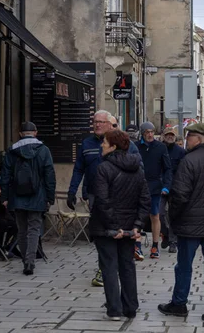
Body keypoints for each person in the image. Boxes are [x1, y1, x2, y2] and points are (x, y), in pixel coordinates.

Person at [158, 124, 204, 323]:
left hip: (190, 224)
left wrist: (174, 218)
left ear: (198, 139)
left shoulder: (188, 161)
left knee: (184, 266)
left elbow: (180, 194)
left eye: (189, 137)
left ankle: (179, 303)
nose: (186, 140)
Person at [68, 110, 140, 286]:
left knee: (117, 233)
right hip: (95, 195)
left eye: (101, 122)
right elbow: (79, 169)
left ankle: (111, 267)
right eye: (95, 122)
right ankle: (104, 267)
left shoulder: (124, 143)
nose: (97, 125)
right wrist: (72, 191)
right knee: (102, 233)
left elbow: (138, 168)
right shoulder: (87, 144)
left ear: (110, 124)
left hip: (120, 196)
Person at [89, 130, 150, 321]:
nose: (101, 145)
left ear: (114, 146)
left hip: (107, 227)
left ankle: (114, 309)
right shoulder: (138, 169)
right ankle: (130, 307)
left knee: (109, 267)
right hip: (129, 227)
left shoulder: (104, 168)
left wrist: (114, 228)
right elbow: (145, 200)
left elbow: (102, 200)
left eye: (105, 142)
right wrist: (137, 226)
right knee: (127, 266)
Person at [0, 122, 55, 276]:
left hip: (17, 196)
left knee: (22, 230)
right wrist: (50, 197)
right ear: (35, 133)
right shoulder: (44, 150)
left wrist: (4, 196)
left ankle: (26, 260)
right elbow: (49, 175)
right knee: (34, 230)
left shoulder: (11, 151)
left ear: (21, 134)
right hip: (38, 196)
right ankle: (30, 262)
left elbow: (5, 176)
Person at [135, 122, 172, 260]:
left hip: (155, 186)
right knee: (137, 216)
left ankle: (155, 245)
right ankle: (137, 245)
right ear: (142, 133)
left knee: (154, 215)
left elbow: (167, 168)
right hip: (138, 185)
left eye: (152, 132)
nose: (150, 134)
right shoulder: (136, 147)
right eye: (147, 132)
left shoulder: (161, 147)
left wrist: (166, 185)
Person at [160, 126, 185, 254]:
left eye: (172, 135)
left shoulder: (180, 151)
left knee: (173, 215)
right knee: (159, 214)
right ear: (164, 136)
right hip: (161, 187)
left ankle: (173, 242)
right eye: (168, 135)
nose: (170, 137)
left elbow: (183, 170)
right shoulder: (159, 148)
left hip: (175, 187)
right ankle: (164, 234)